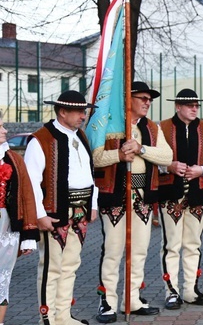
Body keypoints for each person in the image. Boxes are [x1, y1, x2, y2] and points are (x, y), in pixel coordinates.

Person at [94, 82, 173, 323]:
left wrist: (141, 149)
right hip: (116, 193)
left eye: (150, 99)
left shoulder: (151, 127)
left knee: (139, 250)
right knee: (113, 250)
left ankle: (133, 298)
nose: (147, 102)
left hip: (143, 195)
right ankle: (107, 302)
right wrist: (118, 155)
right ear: (128, 99)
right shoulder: (109, 125)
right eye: (142, 98)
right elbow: (96, 159)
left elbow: (167, 157)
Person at [24, 90, 98, 325]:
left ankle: (64, 316)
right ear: (62, 111)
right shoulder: (41, 140)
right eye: (78, 111)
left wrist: (93, 204)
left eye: (84, 111)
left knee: (70, 265)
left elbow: (90, 173)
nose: (83, 116)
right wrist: (39, 214)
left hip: (81, 210)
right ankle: (47, 319)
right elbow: (31, 182)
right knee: (51, 267)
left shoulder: (81, 136)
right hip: (55, 212)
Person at [158, 89, 203, 309]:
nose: (194, 108)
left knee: (193, 244)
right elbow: (154, 157)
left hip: (198, 193)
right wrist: (168, 166)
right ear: (178, 106)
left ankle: (190, 290)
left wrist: (202, 169)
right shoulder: (163, 127)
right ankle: (171, 291)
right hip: (171, 194)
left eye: (196, 104)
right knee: (171, 245)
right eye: (189, 105)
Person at [0, 115, 38, 325]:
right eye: (0, 127)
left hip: (7, 225)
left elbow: (26, 196)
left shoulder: (14, 159)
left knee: (3, 276)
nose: (5, 130)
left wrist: (28, 235)